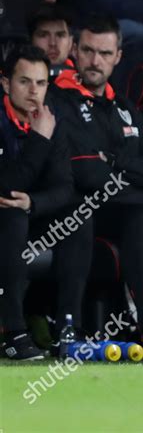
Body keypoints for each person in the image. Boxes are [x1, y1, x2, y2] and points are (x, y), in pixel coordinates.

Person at [52, 15, 143, 357]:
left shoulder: (123, 106)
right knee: (99, 209)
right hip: (68, 211)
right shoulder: (58, 99)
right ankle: (69, 328)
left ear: (118, 57)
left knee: (142, 210)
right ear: (75, 51)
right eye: (89, 51)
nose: (96, 61)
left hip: (123, 210)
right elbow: (85, 173)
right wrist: (130, 171)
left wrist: (116, 161)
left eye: (105, 53)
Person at [0, 46, 78, 360]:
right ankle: (14, 332)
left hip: (29, 213)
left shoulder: (49, 120)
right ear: (5, 83)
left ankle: (70, 330)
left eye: (41, 83)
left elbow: (64, 187)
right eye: (24, 82)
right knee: (12, 217)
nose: (34, 91)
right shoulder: (38, 128)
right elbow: (7, 187)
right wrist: (39, 139)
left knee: (78, 219)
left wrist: (33, 202)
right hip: (5, 216)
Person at [28, 2, 74, 78]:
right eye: (43, 35)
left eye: (60, 35)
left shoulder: (86, 81)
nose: (52, 43)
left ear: (70, 42)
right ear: (31, 40)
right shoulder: (9, 82)